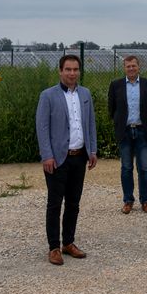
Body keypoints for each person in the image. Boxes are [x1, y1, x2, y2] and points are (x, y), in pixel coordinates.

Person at [36, 54, 98, 266]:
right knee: (55, 204)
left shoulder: (85, 94)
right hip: (57, 159)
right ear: (60, 71)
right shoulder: (48, 96)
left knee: (73, 203)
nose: (72, 73)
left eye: (75, 70)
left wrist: (93, 150)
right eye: (68, 70)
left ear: (79, 71)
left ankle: (68, 242)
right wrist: (47, 155)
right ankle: (54, 247)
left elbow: (90, 123)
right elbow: (42, 127)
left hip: (79, 156)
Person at [108, 55, 147, 214]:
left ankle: (145, 201)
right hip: (125, 131)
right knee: (126, 168)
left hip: (142, 130)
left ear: (138, 67)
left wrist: (145, 121)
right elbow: (111, 108)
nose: (131, 69)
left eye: (133, 66)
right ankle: (128, 200)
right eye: (128, 66)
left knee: (144, 168)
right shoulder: (116, 85)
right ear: (124, 68)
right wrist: (119, 123)